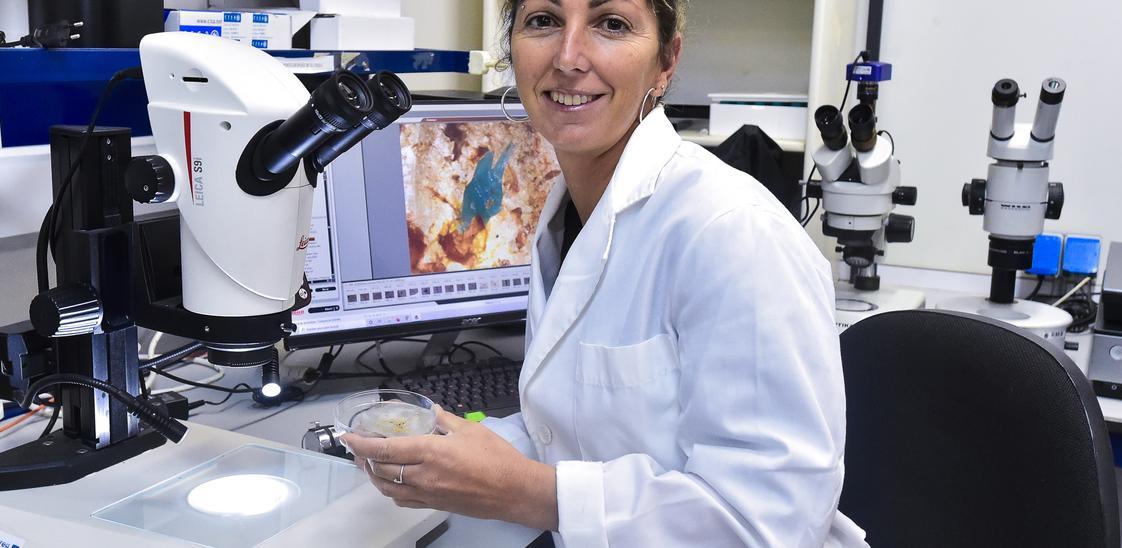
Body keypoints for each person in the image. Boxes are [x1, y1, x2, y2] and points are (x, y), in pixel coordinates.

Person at [342, 0, 868, 545]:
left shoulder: (733, 232)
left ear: (666, 63)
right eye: (543, 20)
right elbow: (572, 427)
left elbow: (767, 520)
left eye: (611, 24)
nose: (569, 57)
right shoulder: (570, 210)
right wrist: (448, 453)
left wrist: (524, 492)